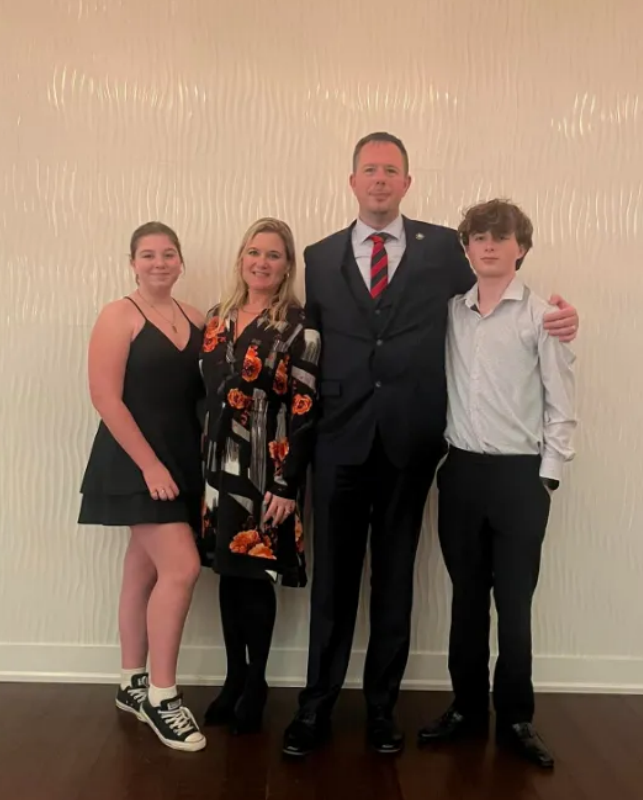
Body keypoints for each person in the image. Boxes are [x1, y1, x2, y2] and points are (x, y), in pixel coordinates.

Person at [284, 132, 581, 758]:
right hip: (339, 442)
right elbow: (313, 345)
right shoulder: (319, 255)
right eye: (370, 169)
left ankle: (382, 711)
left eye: (391, 170)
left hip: (410, 444)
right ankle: (314, 708)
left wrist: (563, 318)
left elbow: (499, 288)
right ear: (353, 180)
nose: (380, 179)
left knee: (395, 582)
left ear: (407, 182)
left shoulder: (446, 248)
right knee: (333, 584)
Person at [415, 199, 575, 768]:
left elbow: (561, 405)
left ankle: (516, 718)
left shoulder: (543, 318)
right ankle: (465, 708)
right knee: (466, 601)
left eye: (500, 237)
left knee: (514, 604)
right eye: (478, 237)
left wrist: (546, 479)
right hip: (461, 473)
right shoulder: (450, 314)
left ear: (520, 248)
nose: (488, 245)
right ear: (466, 249)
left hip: (519, 478)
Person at [79, 222, 207, 752]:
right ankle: (162, 696)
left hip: (183, 459)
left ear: (180, 262)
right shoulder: (119, 315)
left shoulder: (197, 318)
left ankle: (132, 682)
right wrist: (150, 466)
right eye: (148, 254)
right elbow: (105, 398)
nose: (159, 263)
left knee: (143, 568)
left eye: (168, 254)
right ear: (132, 262)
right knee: (182, 568)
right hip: (135, 461)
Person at [197, 218, 319, 735]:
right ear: (241, 259)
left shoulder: (299, 328)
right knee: (229, 574)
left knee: (256, 576)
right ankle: (233, 677)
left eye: (273, 255)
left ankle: (257, 682)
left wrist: (288, 484)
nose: (261, 262)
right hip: (217, 467)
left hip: (268, 469)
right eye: (254, 252)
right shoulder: (215, 319)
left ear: (287, 266)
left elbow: (306, 408)